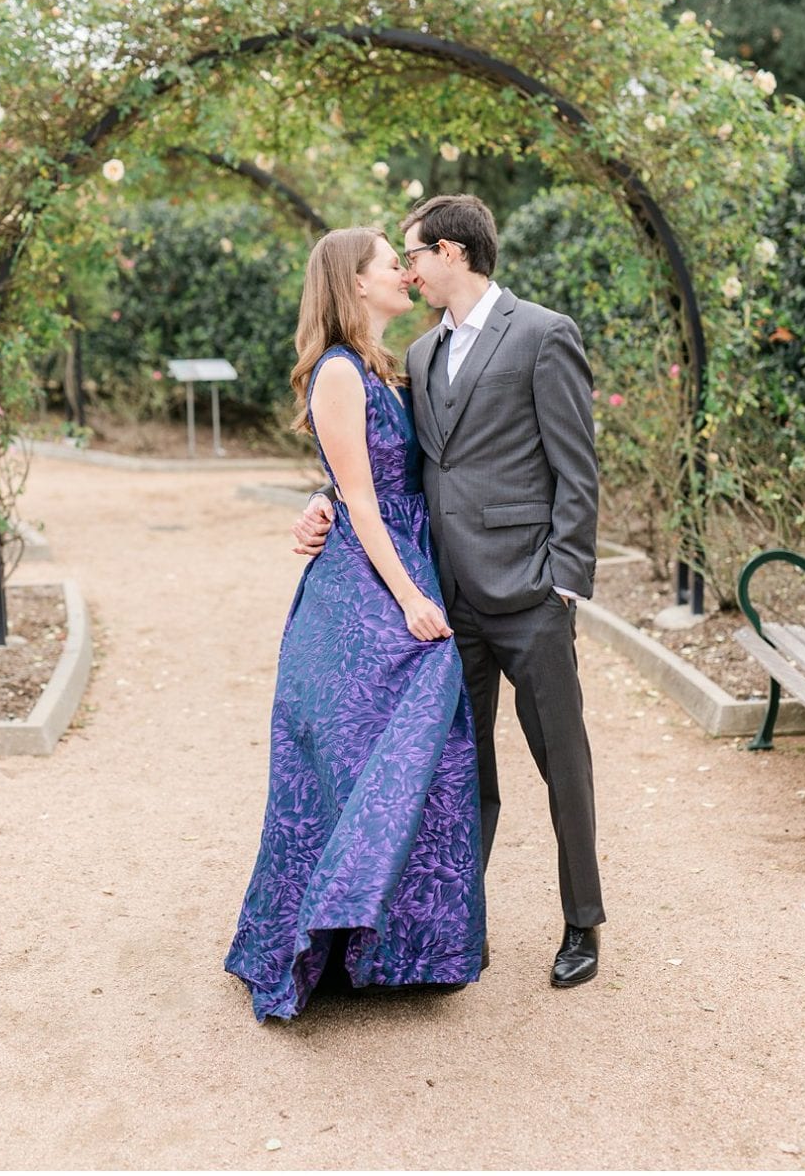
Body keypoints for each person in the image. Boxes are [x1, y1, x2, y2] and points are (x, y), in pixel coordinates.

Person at [292, 194, 605, 988]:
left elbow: (577, 470)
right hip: (446, 599)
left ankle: (583, 924)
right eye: (397, 260)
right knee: (463, 773)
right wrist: (326, 498)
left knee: (561, 763)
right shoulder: (421, 356)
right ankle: (458, 922)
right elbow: (396, 467)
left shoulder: (543, 333)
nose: (409, 269)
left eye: (415, 255)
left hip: (531, 596)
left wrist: (563, 585)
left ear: (453, 253)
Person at [226, 226, 486, 1022]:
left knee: (411, 755)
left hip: (394, 558)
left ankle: (397, 947)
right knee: (371, 756)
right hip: (365, 584)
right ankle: (325, 943)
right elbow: (362, 497)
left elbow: (349, 480)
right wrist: (409, 596)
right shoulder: (339, 371)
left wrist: (325, 497)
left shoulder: (380, 364)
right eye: (389, 264)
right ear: (354, 283)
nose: (403, 274)